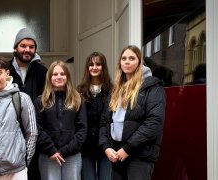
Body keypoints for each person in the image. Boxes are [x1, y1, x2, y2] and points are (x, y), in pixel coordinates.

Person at [99, 45, 166, 180]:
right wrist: (106, 147)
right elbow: (104, 122)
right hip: (117, 154)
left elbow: (153, 124)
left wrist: (127, 149)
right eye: (124, 58)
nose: (127, 62)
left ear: (139, 62)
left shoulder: (152, 88)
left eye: (132, 58)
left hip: (139, 156)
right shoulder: (116, 90)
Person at [35, 60, 87, 180]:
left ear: (67, 76)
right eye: (55, 74)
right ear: (49, 77)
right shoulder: (40, 101)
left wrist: (64, 151)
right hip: (48, 155)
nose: (59, 77)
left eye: (62, 74)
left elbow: (82, 130)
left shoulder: (78, 100)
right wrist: (52, 150)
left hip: (72, 156)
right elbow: (37, 129)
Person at [8, 27, 47, 179]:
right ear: (15, 47)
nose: (27, 50)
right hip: (10, 134)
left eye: (31, 47)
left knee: (34, 174)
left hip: (36, 133)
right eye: (23, 46)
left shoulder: (43, 72)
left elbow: (48, 101)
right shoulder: (5, 70)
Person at [76, 52, 113, 180]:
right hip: (86, 145)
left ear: (104, 67)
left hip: (107, 145)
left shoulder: (112, 90)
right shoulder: (79, 91)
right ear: (87, 67)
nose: (94, 67)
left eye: (98, 64)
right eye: (91, 64)